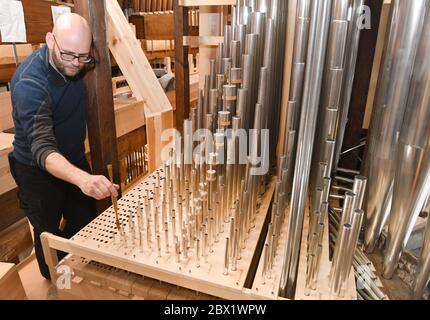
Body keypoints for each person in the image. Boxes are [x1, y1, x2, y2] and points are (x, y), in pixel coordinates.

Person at [8, 13, 118, 280]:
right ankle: (60, 288)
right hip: (36, 169)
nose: (76, 64)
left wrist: (82, 176)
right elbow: (43, 149)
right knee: (50, 246)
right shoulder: (29, 83)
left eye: (83, 56)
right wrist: (83, 179)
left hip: (72, 158)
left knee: (87, 227)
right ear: (49, 40)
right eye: (69, 55)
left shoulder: (80, 60)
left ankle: (83, 279)